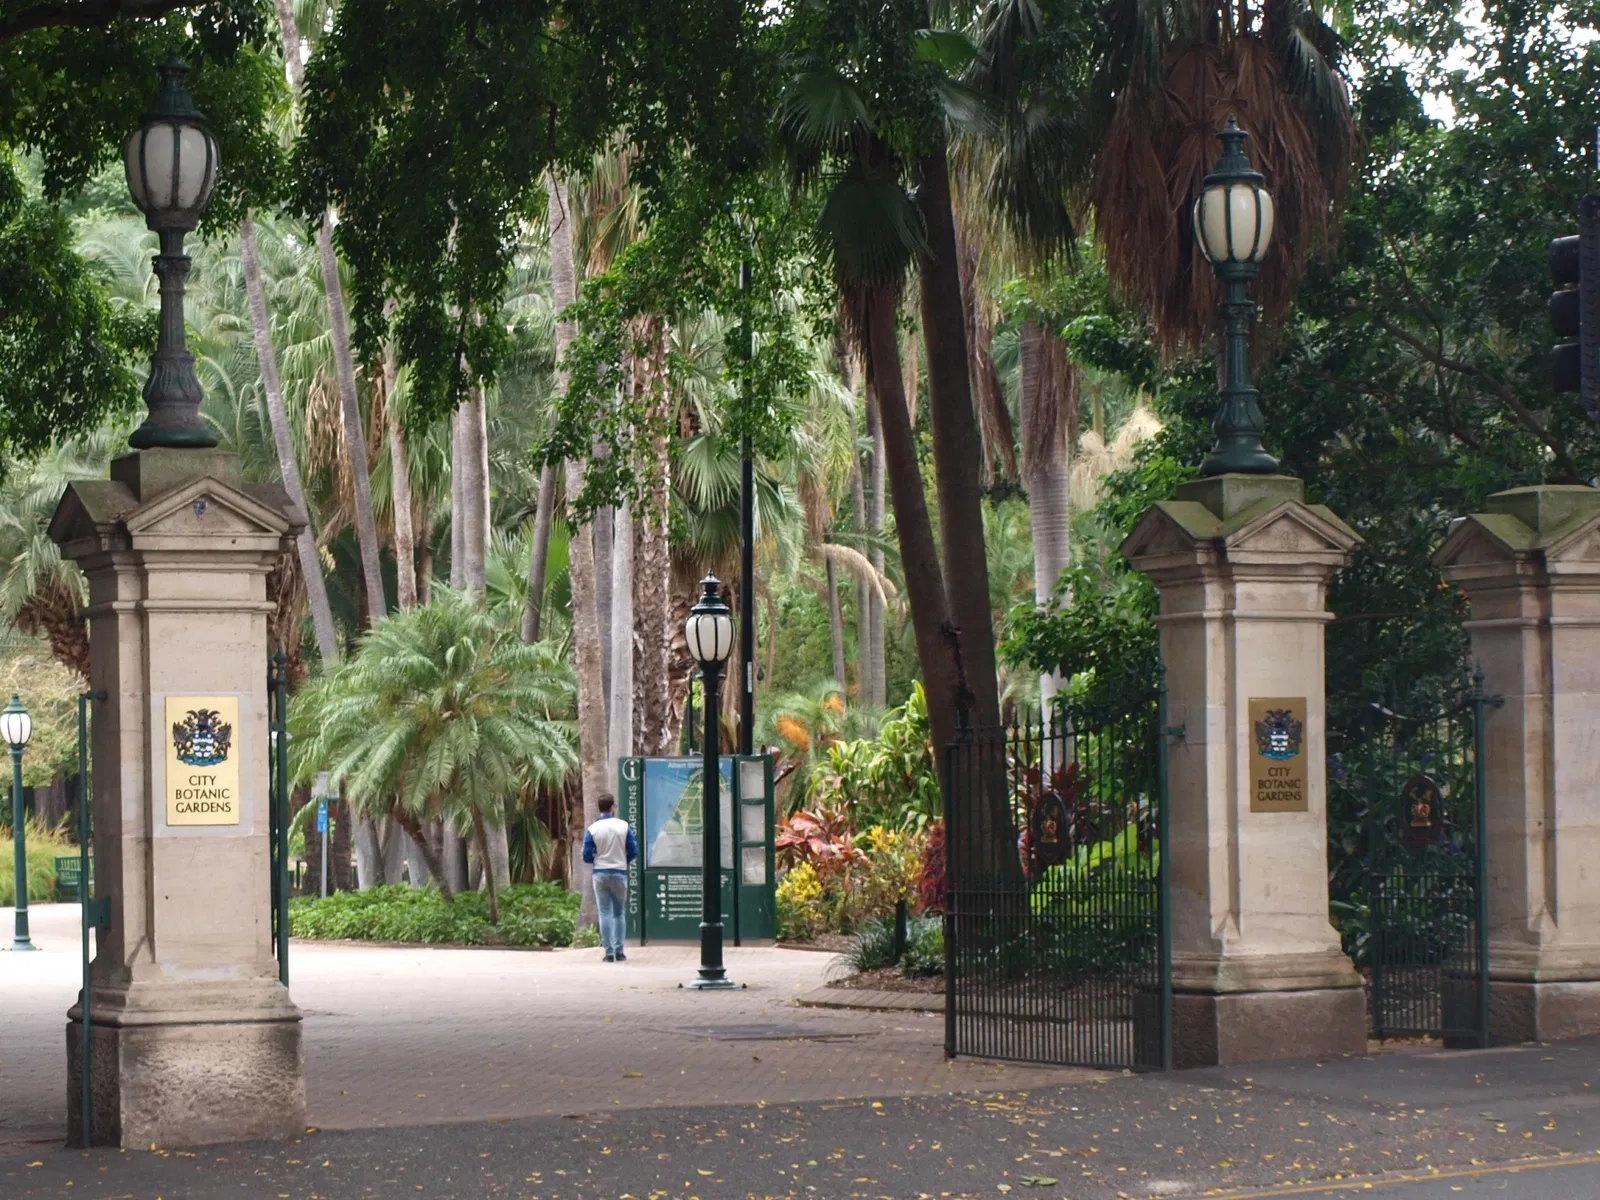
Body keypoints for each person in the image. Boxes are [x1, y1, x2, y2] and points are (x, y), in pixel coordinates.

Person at [582, 793, 638, 962]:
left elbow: (586, 855)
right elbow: (633, 850)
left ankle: (609, 952)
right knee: (619, 912)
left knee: (604, 912)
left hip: (600, 873)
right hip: (619, 872)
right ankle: (620, 950)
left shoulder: (593, 829)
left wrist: (597, 859)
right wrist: (623, 860)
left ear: (599, 808)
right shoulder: (624, 826)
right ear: (613, 807)